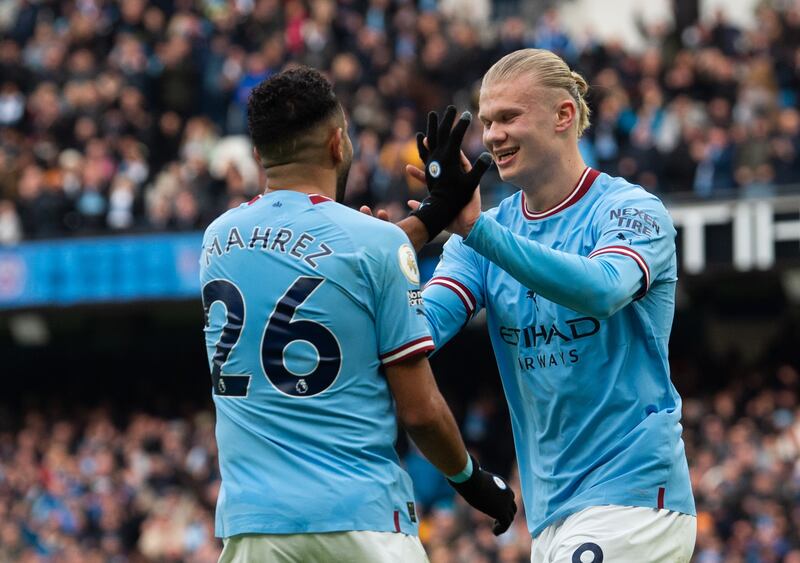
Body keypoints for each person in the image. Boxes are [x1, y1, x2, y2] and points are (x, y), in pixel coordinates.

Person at [368, 48, 698, 561]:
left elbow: (604, 288)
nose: (492, 134)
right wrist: (387, 269)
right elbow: (420, 332)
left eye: (508, 117)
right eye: (487, 121)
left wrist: (478, 232)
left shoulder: (630, 210)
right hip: (550, 516)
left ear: (563, 115)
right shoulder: (480, 238)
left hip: (635, 498)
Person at [198, 67, 516, 563]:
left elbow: (319, 254)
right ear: (337, 143)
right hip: (360, 520)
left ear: (258, 154)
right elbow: (419, 411)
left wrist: (432, 215)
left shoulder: (217, 240)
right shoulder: (374, 245)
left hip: (252, 526)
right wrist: (471, 481)